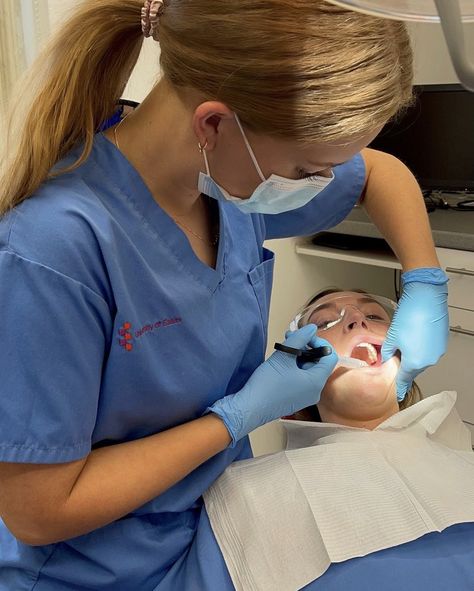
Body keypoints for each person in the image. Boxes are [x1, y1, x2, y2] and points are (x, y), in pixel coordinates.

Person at [0, 1, 449, 589]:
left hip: (225, 528)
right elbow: (37, 511)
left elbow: (379, 172)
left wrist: (423, 278)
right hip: (100, 572)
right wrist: (236, 417)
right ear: (212, 125)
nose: (320, 183)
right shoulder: (52, 250)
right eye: (310, 168)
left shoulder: (230, 187)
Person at [200, 290, 474, 591]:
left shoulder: (464, 462)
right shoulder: (245, 493)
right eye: (326, 321)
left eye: (374, 316)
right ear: (301, 371)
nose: (357, 319)